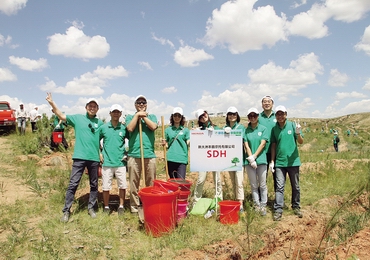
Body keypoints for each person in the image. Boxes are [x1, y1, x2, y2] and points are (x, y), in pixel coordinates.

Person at [46, 93, 104, 222]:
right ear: (86, 107)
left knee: (94, 184)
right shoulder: (77, 118)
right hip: (79, 157)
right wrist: (52, 102)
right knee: (73, 184)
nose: (92, 108)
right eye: (90, 105)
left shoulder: (100, 123)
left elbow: (103, 140)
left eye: (94, 106)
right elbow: (61, 115)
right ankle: (66, 211)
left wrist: (101, 153)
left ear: (97, 109)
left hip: (94, 158)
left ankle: (91, 208)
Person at [270, 105, 304, 221]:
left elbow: (300, 142)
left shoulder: (293, 125)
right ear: (276, 116)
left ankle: (296, 206)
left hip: (293, 162)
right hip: (280, 163)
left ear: (286, 114)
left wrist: (298, 133)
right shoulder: (274, 129)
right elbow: (273, 145)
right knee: (279, 187)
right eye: (278, 114)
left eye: (282, 114)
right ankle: (278, 210)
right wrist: (272, 161)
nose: (280, 116)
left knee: (296, 186)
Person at [126, 95, 157, 213]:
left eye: (143, 102)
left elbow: (153, 126)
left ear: (146, 105)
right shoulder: (130, 117)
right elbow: (130, 128)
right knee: (134, 183)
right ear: (135, 105)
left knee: (151, 182)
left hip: (149, 154)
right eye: (138, 102)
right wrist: (137, 115)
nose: (141, 104)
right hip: (134, 155)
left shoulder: (152, 116)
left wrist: (143, 117)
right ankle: (134, 207)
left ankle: (150, 204)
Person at [99, 104, 128, 216]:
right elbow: (96, 140)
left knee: (122, 185)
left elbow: (132, 140)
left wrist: (127, 154)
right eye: (114, 112)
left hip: (120, 162)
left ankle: (121, 206)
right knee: (106, 186)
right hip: (107, 162)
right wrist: (99, 153)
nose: (116, 114)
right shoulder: (104, 128)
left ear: (120, 114)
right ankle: (106, 207)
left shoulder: (124, 128)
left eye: (118, 112)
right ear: (110, 113)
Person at [192, 109, 223, 205]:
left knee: (217, 179)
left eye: (204, 114)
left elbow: (223, 140)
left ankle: (218, 200)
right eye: (200, 117)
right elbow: (194, 145)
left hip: (215, 157)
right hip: (203, 159)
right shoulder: (198, 130)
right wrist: (194, 134)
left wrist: (221, 133)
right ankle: (196, 201)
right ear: (199, 120)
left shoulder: (216, 127)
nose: (203, 117)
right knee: (201, 180)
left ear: (207, 114)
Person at [244, 107, 269, 216]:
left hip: (261, 160)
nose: (253, 118)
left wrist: (255, 156)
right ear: (248, 118)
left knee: (262, 184)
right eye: (250, 116)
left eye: (255, 115)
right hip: (249, 162)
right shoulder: (245, 130)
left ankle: (263, 205)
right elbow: (246, 145)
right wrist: (251, 158)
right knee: (253, 185)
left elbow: (263, 144)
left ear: (258, 116)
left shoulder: (263, 129)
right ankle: (256, 205)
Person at [223, 106, 245, 210]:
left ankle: (240, 204)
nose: (232, 116)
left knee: (239, 181)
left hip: (239, 159)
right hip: (228, 159)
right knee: (233, 181)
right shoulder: (224, 128)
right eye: (230, 114)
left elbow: (243, 141)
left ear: (237, 115)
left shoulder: (241, 127)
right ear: (227, 116)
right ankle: (235, 201)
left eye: (234, 114)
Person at [162, 107, 190, 179]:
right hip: (171, 158)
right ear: (172, 116)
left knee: (181, 181)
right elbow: (166, 143)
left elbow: (188, 141)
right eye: (175, 115)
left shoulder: (185, 130)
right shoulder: (167, 130)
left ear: (181, 117)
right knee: (172, 182)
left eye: (179, 115)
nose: (177, 117)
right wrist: (164, 144)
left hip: (182, 159)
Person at [258, 95, 277, 189]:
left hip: (276, 151)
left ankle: (278, 199)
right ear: (262, 105)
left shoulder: (277, 116)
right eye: (264, 102)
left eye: (269, 101)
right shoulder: (258, 117)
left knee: (277, 176)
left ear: (272, 104)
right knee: (262, 177)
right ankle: (262, 198)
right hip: (262, 152)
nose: (267, 103)